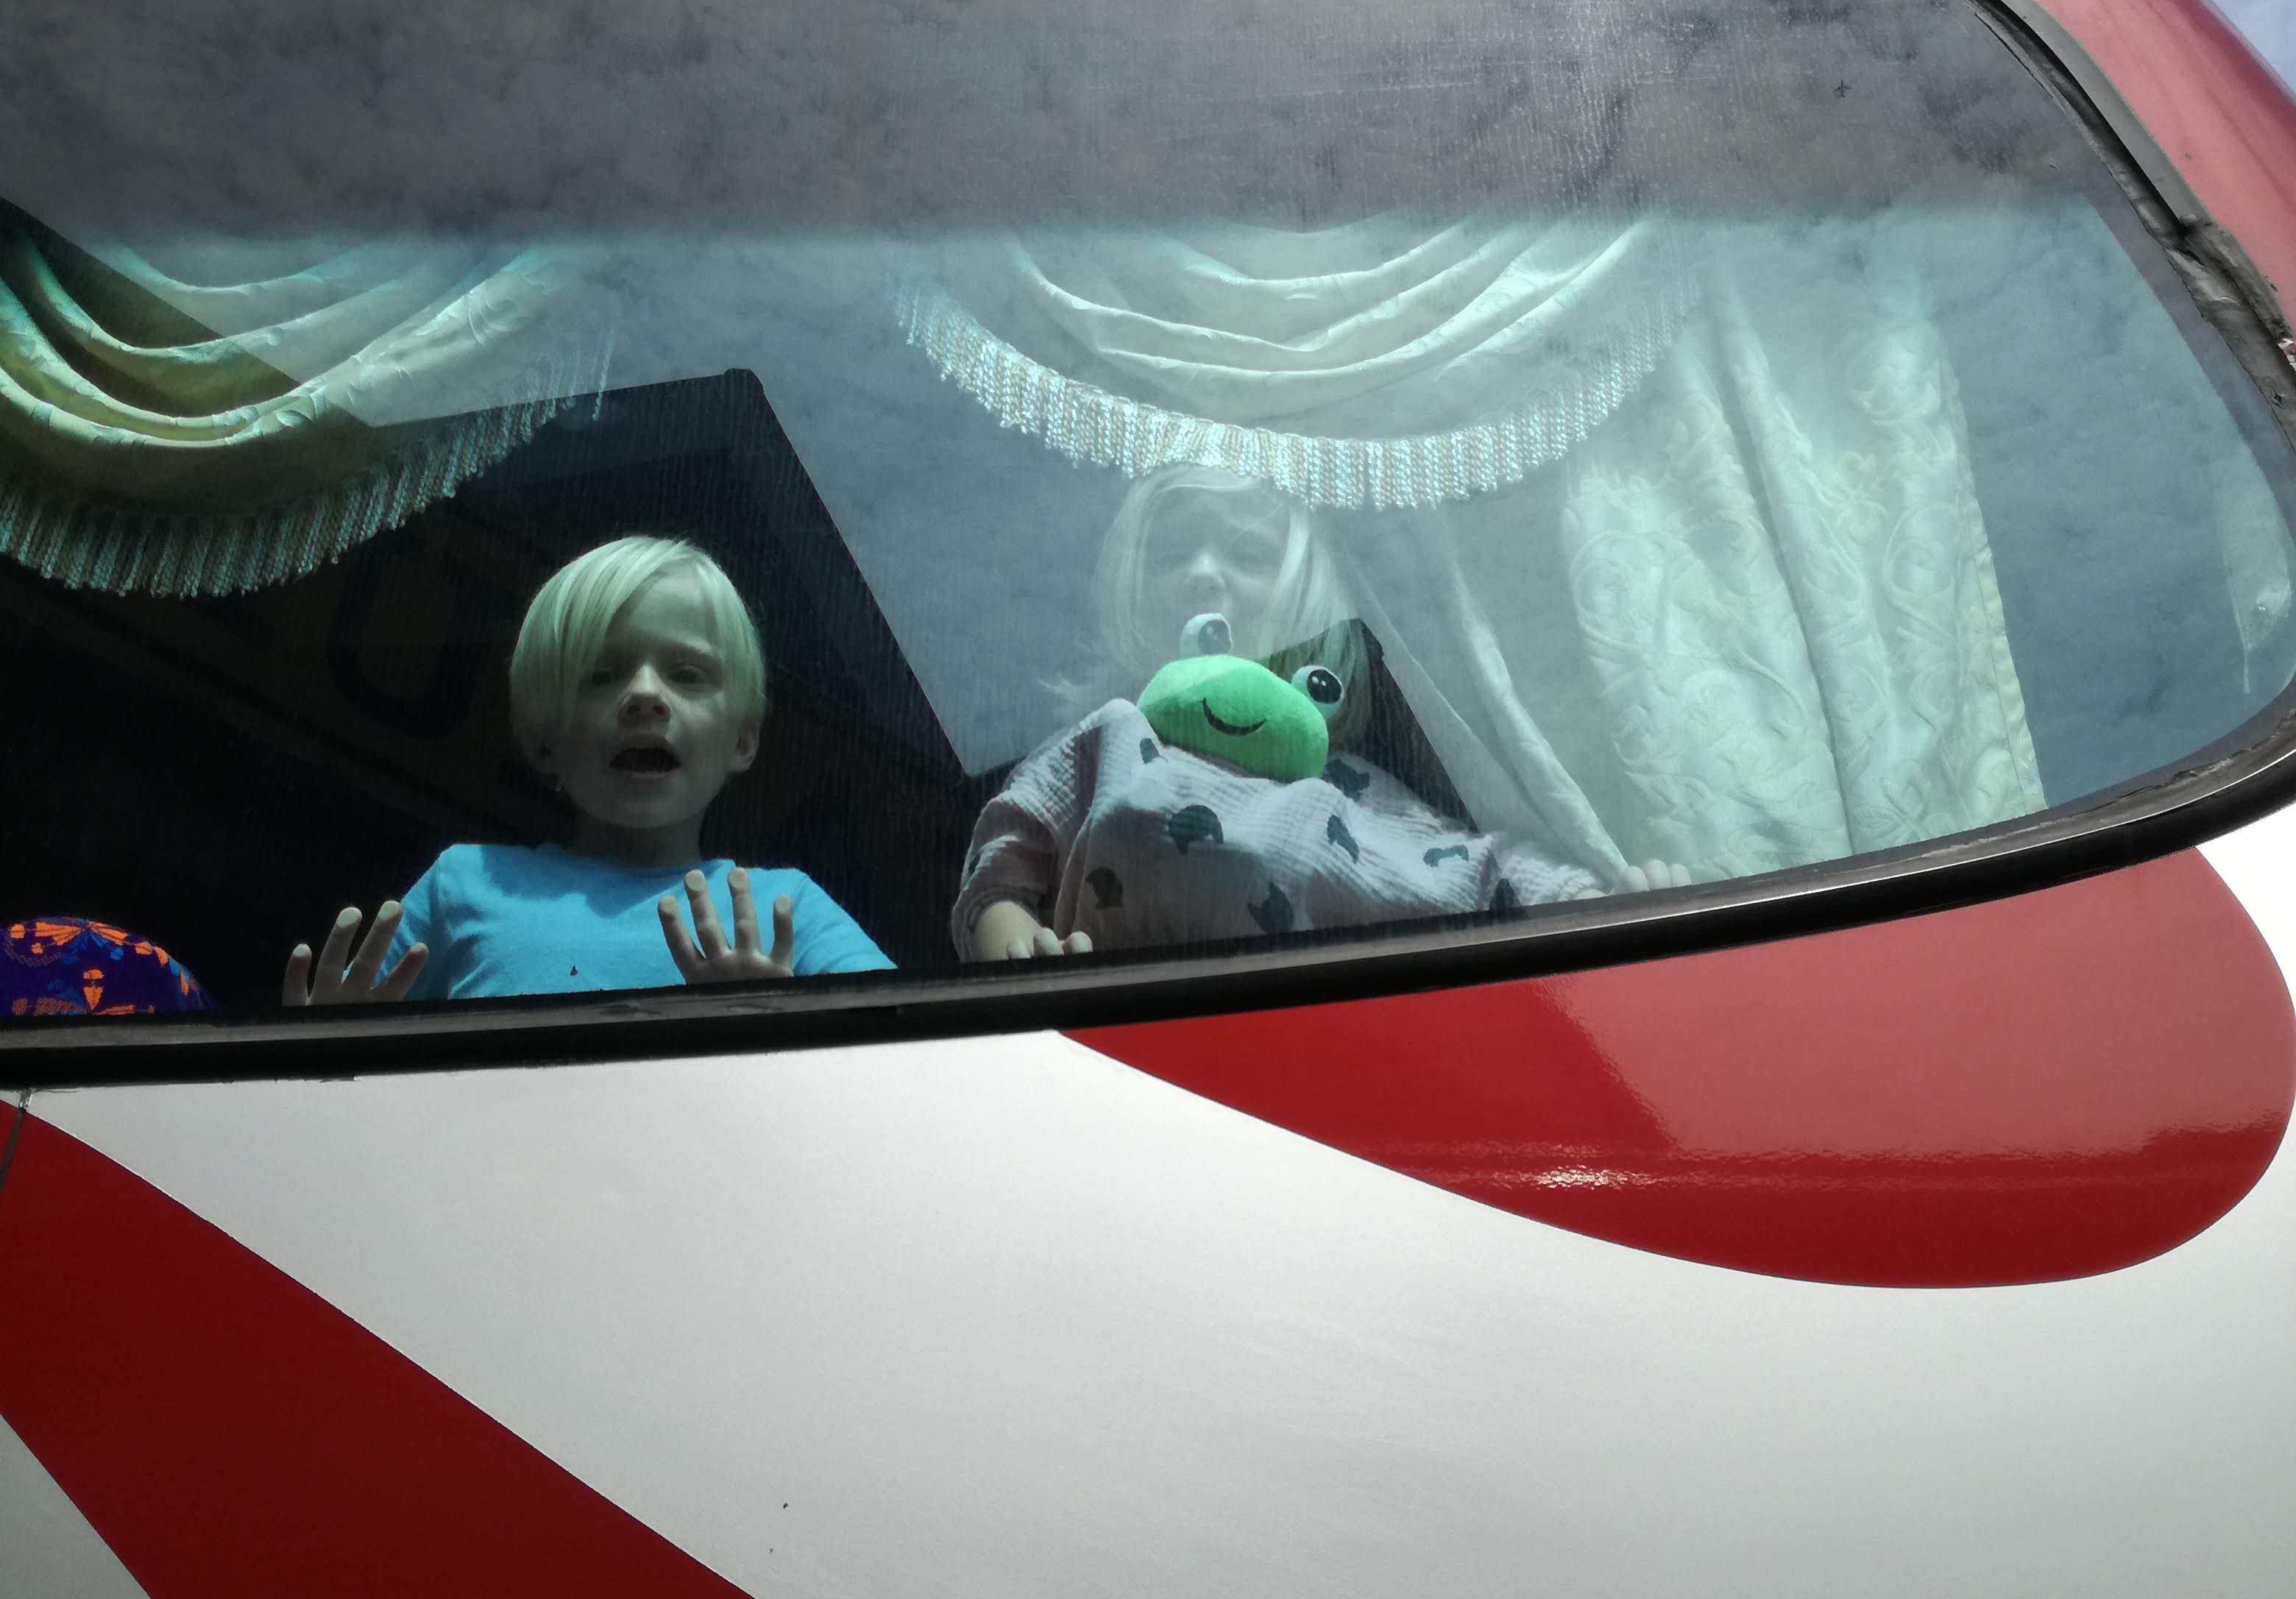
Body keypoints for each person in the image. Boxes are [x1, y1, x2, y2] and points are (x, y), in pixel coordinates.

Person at [957, 466, 1687, 966]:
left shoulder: (1344, 782)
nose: (1204, 571)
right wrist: (1018, 951)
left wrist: (1602, 903)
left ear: (1299, 593)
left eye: (1247, 552)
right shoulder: (1106, 735)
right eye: (1174, 551)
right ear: (1129, 584)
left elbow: (1470, 870)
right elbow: (1002, 864)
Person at [285, 535, 891, 1007]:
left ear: (744, 740)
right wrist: (327, 1056)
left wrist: (782, 1035)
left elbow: (904, 1065)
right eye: (602, 676)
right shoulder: (466, 884)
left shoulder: (789, 910)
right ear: (545, 741)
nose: (646, 695)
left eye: (687, 674)